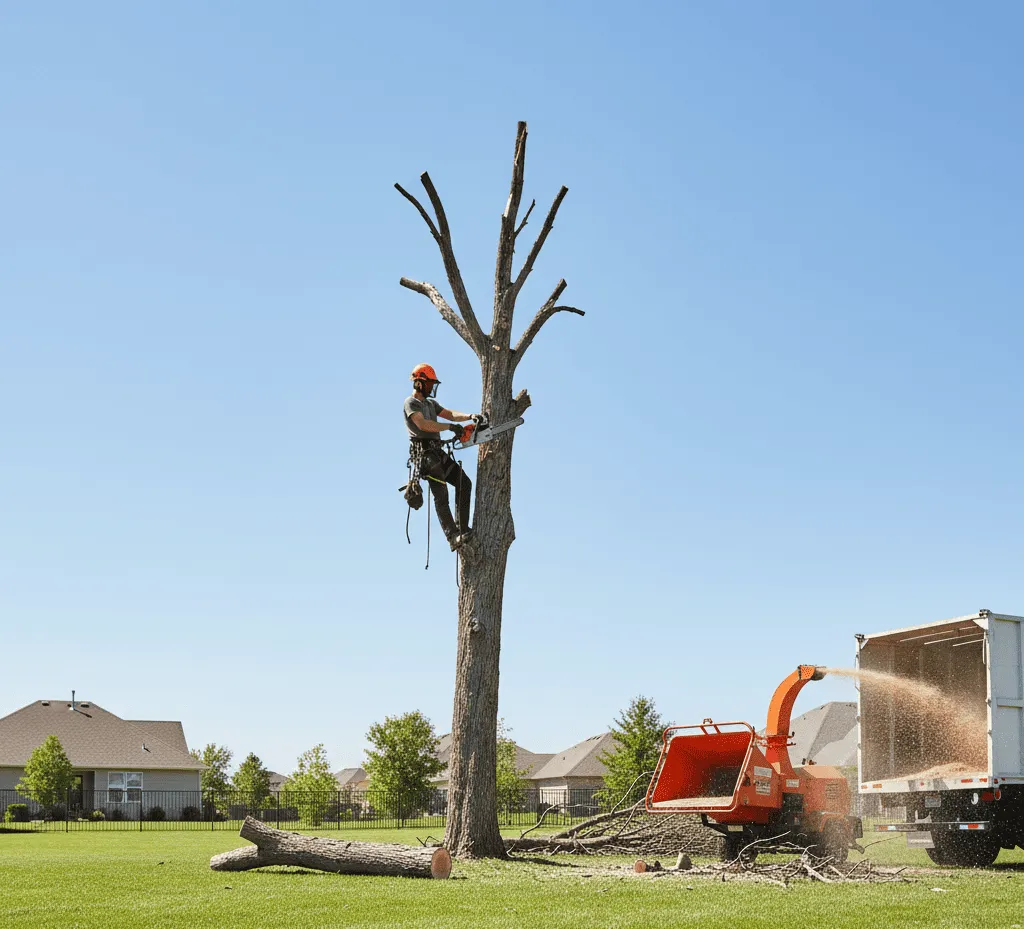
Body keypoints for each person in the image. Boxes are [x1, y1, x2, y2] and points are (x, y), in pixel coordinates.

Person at [404, 363, 476, 550]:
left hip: (438, 452)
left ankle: (461, 528)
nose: (431, 388)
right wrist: (449, 428)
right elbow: (423, 425)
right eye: (429, 384)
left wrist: (470, 416)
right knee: (441, 494)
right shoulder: (411, 403)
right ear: (419, 383)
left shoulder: (430, 404)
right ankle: (452, 537)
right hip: (426, 456)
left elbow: (450, 414)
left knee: (463, 482)